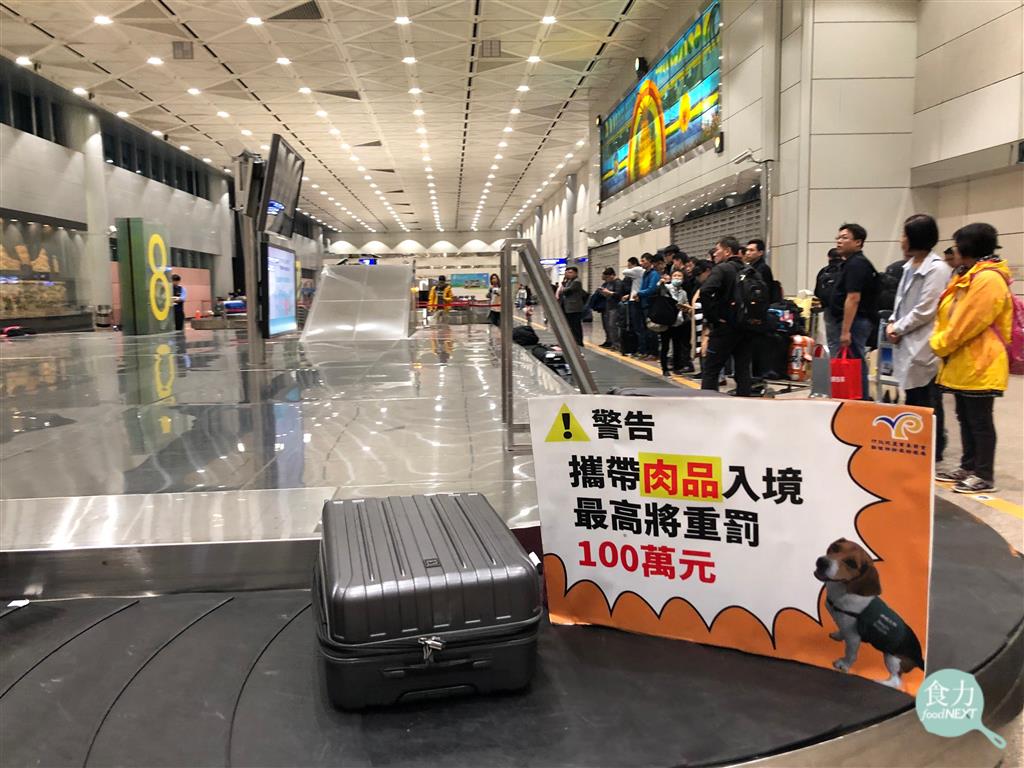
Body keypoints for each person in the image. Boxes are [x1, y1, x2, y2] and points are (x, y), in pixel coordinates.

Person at [930, 223, 1013, 494]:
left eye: (957, 245)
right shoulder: (968, 274)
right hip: (962, 361)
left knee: (979, 421)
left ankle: (984, 475)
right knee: (965, 417)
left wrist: (939, 344)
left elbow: (968, 322)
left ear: (968, 246)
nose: (953, 250)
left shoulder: (988, 279)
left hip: (981, 362)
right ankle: (968, 466)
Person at [886, 214, 951, 462]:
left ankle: (934, 447)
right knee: (912, 396)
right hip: (905, 339)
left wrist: (898, 328)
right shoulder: (910, 265)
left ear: (916, 237)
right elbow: (900, 302)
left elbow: (926, 310)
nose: (901, 239)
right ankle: (916, 444)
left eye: (905, 234)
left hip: (924, 342)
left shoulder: (937, 269)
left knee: (927, 398)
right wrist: (893, 322)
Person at [699, 237, 755, 395]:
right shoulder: (750, 270)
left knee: (711, 369)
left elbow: (705, 291)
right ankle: (744, 401)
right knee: (743, 370)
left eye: (718, 250)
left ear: (728, 251)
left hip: (724, 327)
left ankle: (708, 403)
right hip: (746, 327)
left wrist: (713, 318)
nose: (715, 253)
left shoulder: (722, 269)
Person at [827, 223, 877, 398]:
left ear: (858, 242)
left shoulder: (857, 264)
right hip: (853, 321)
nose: (839, 241)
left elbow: (853, 298)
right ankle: (853, 398)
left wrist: (845, 330)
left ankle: (860, 400)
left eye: (844, 238)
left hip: (856, 321)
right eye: (838, 238)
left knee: (855, 362)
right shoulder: (850, 263)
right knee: (854, 360)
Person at [658, 269, 690, 375]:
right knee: (665, 346)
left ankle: (677, 367)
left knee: (677, 346)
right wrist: (661, 283)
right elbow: (659, 290)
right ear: (671, 278)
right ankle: (665, 369)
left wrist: (686, 307)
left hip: (678, 322)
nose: (677, 278)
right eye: (675, 275)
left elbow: (686, 303)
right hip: (666, 321)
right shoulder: (666, 288)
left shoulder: (683, 292)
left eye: (679, 276)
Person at [635, 252, 665, 359]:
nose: (641, 263)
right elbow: (643, 287)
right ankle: (648, 351)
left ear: (649, 261)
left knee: (652, 330)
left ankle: (654, 353)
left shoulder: (654, 274)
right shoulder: (645, 274)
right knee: (646, 329)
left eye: (643, 260)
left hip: (651, 304)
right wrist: (639, 294)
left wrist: (639, 293)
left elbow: (652, 289)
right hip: (644, 304)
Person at [619, 257, 643, 355]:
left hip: (635, 300)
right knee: (633, 326)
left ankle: (638, 349)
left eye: (629, 265)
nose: (628, 267)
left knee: (637, 327)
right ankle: (633, 348)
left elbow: (624, 272)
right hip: (631, 300)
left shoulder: (638, 270)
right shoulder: (634, 275)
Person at [557, 265, 586, 346]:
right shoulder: (569, 281)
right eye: (567, 273)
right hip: (568, 307)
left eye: (571, 272)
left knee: (575, 326)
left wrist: (562, 289)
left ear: (575, 273)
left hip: (574, 308)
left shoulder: (576, 281)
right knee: (570, 325)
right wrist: (564, 281)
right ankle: (573, 341)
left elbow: (566, 290)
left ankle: (579, 342)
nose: (569, 274)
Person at [596, 267, 623, 349]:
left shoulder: (618, 282)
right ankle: (613, 343)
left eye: (607, 277)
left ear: (612, 275)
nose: (606, 279)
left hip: (615, 307)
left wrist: (609, 292)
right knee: (609, 326)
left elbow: (619, 295)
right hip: (609, 306)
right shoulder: (609, 283)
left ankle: (617, 344)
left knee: (613, 325)